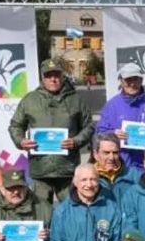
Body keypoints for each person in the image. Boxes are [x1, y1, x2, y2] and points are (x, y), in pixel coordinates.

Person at [9, 57, 94, 203]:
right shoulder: (30, 100)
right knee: (42, 215)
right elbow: (15, 125)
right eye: (49, 76)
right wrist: (21, 141)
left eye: (56, 75)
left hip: (67, 169)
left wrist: (76, 141)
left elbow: (89, 126)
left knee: (71, 211)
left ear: (62, 76)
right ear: (43, 78)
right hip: (40, 169)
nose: (53, 79)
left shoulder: (76, 100)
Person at [96, 63, 145, 172]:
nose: (132, 84)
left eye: (136, 79)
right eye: (128, 80)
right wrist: (113, 134)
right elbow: (100, 133)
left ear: (141, 80)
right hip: (121, 165)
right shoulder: (112, 105)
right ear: (121, 81)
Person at [92, 133, 140, 203]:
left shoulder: (134, 176)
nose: (111, 157)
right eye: (106, 153)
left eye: (115, 153)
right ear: (95, 154)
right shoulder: (87, 177)